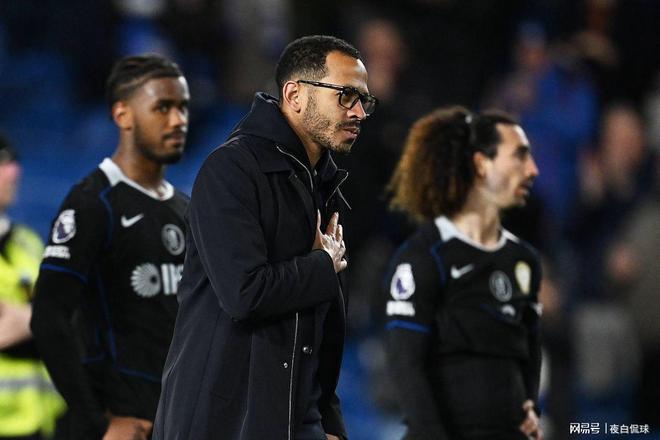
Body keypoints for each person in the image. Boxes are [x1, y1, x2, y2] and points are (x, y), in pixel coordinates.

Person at [153, 35, 375, 440]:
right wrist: (320, 266)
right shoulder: (231, 169)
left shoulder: (327, 188)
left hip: (294, 418)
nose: (359, 111)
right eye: (345, 95)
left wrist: (329, 422)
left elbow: (321, 329)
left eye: (364, 100)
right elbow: (244, 293)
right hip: (222, 423)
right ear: (295, 95)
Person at [30, 54, 190, 440]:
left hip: (177, 419)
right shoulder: (92, 203)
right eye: (163, 108)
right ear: (123, 115)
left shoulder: (185, 208)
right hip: (122, 421)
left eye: (183, 107)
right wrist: (96, 421)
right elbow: (48, 318)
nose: (178, 120)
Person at [384, 106, 543, 440]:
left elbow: (529, 349)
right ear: (482, 164)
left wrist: (530, 406)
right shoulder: (425, 256)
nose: (533, 170)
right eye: (519, 156)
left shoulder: (524, 260)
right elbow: (406, 362)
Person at [0, 134, 65, 439]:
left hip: (43, 422)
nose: (14, 171)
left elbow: (69, 315)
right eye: (2, 162)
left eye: (13, 161)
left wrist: (32, 318)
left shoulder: (27, 240)